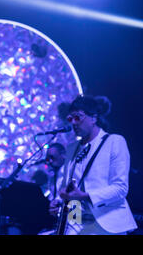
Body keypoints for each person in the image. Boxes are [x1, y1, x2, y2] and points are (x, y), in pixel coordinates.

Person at [49, 95, 137, 235]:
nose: (74, 123)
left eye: (78, 117)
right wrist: (58, 201)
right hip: (76, 222)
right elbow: (68, 188)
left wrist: (85, 196)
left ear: (94, 118)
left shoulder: (114, 141)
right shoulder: (71, 148)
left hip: (107, 224)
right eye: (70, 119)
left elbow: (120, 188)